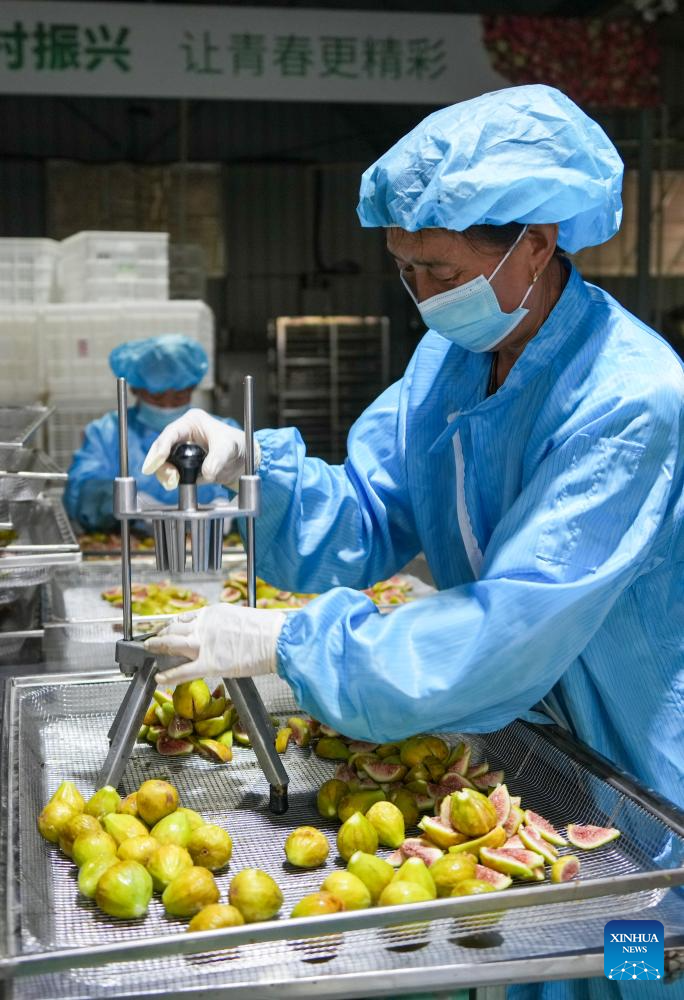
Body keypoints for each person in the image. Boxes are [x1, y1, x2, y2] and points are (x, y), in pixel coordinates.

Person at [144, 86, 683, 996]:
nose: (425, 297)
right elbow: (368, 510)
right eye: (406, 271)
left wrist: (293, 642)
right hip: (519, 741)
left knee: (630, 959)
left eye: (441, 271)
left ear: (537, 242)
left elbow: (510, 627)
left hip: (633, 762)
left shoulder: (629, 399)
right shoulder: (451, 362)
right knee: (524, 954)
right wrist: (253, 469)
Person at [64, 334, 239, 532]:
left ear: (192, 388)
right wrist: (127, 502)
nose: (167, 406)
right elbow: (81, 490)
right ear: (135, 389)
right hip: (127, 540)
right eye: (157, 396)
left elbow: (253, 487)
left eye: (179, 396)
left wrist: (229, 505)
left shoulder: (220, 431)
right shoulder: (107, 432)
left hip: (210, 541)